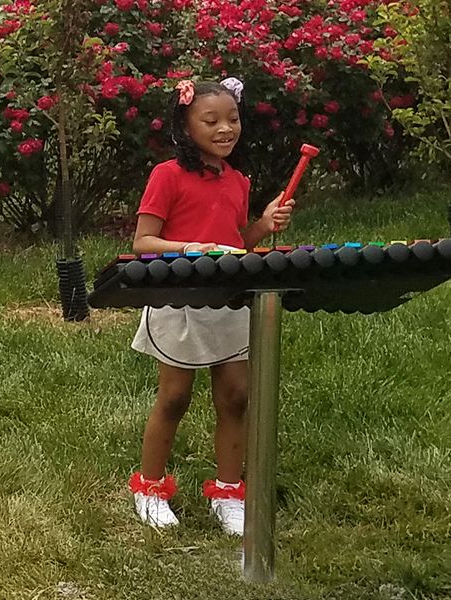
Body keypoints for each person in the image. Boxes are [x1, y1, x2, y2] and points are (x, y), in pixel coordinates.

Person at [128, 77, 294, 535]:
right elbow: (143, 242)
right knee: (176, 397)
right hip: (179, 298)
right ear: (185, 125)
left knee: (236, 398)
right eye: (212, 120)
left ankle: (227, 491)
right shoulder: (167, 174)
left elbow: (235, 244)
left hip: (230, 299)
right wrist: (190, 249)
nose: (226, 129)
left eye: (233, 119)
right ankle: (150, 486)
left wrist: (262, 223)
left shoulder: (238, 180)